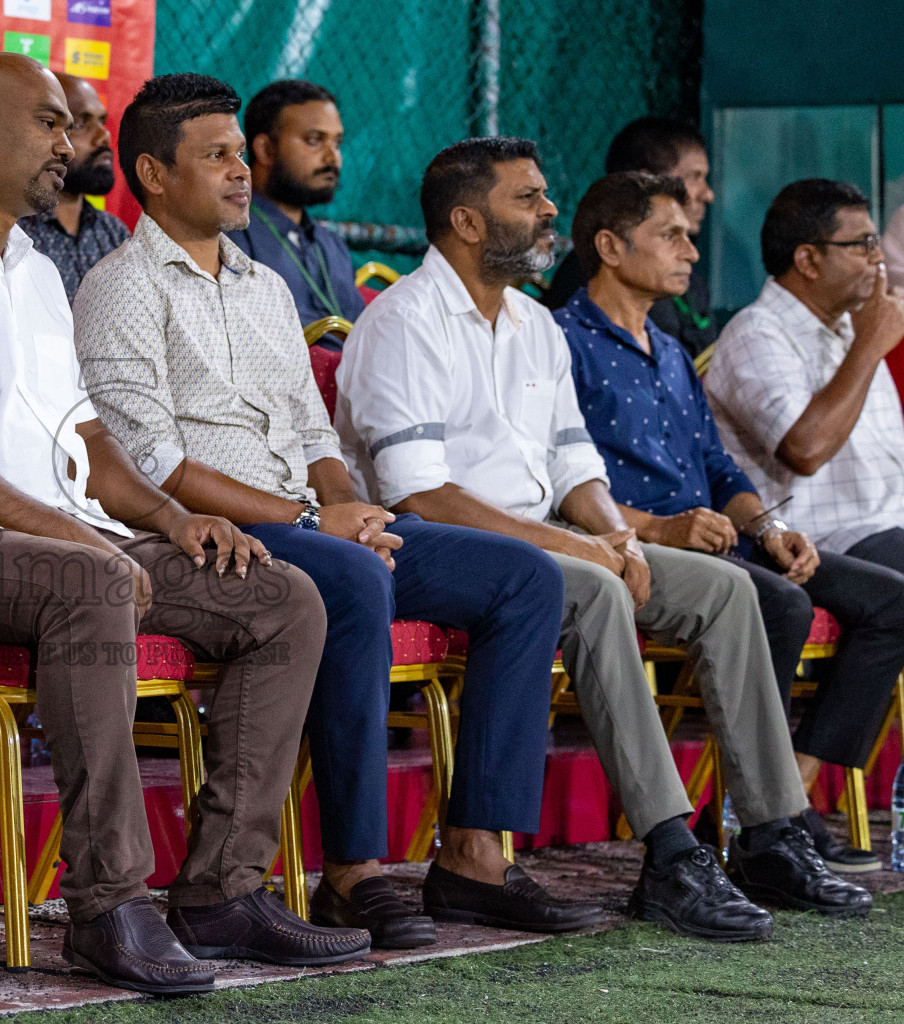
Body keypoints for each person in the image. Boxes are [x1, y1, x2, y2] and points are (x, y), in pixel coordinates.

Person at [0, 52, 368, 997]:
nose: (70, 146)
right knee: (95, 578)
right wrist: (79, 536)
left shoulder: (32, 269)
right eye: (48, 124)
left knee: (282, 597)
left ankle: (220, 891)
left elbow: (86, 436)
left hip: (60, 538)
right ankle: (109, 904)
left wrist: (173, 517)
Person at [75, 73, 602, 950]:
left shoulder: (263, 287)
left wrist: (354, 508)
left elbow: (317, 433)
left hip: (312, 522)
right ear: (153, 174)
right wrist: (320, 524)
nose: (243, 172)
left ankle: (474, 853)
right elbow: (152, 463)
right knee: (353, 576)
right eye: (217, 157)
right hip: (212, 537)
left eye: (243, 154)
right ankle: (354, 872)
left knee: (524, 576)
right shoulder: (122, 287)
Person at [335, 137, 872, 943]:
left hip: (540, 536)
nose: (552, 211)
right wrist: (588, 554)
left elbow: (570, 461)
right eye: (529, 198)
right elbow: (422, 492)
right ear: (467, 221)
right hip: (421, 542)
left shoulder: (530, 323)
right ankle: (671, 852)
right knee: (582, 584)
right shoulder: (404, 321)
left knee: (726, 589)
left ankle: (768, 832)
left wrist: (616, 535)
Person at [557, 171, 904, 873]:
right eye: (672, 235)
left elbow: (719, 468)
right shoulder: (565, 343)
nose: (692, 248)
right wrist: (658, 528)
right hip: (634, 540)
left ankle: (777, 816)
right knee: (780, 601)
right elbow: (563, 478)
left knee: (830, 591)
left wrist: (768, 529)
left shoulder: (673, 352)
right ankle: (766, 821)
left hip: (720, 537)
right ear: (610, 248)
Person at [706, 180, 904, 590]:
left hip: (888, 526)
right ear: (808, 260)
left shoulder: (852, 328)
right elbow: (805, 451)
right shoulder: (756, 333)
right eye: (863, 244)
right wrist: (868, 348)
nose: (879, 257)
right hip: (821, 540)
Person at [542, 117, 717, 357]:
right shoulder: (587, 282)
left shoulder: (687, 286)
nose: (707, 194)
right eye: (694, 177)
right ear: (645, 181)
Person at [228, 79, 364, 341]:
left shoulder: (332, 245)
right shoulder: (231, 237)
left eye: (337, 143)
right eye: (315, 140)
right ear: (265, 149)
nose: (332, 157)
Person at [16, 70, 130, 300]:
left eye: (101, 121)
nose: (104, 137)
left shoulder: (114, 234)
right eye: (81, 124)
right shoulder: (14, 230)